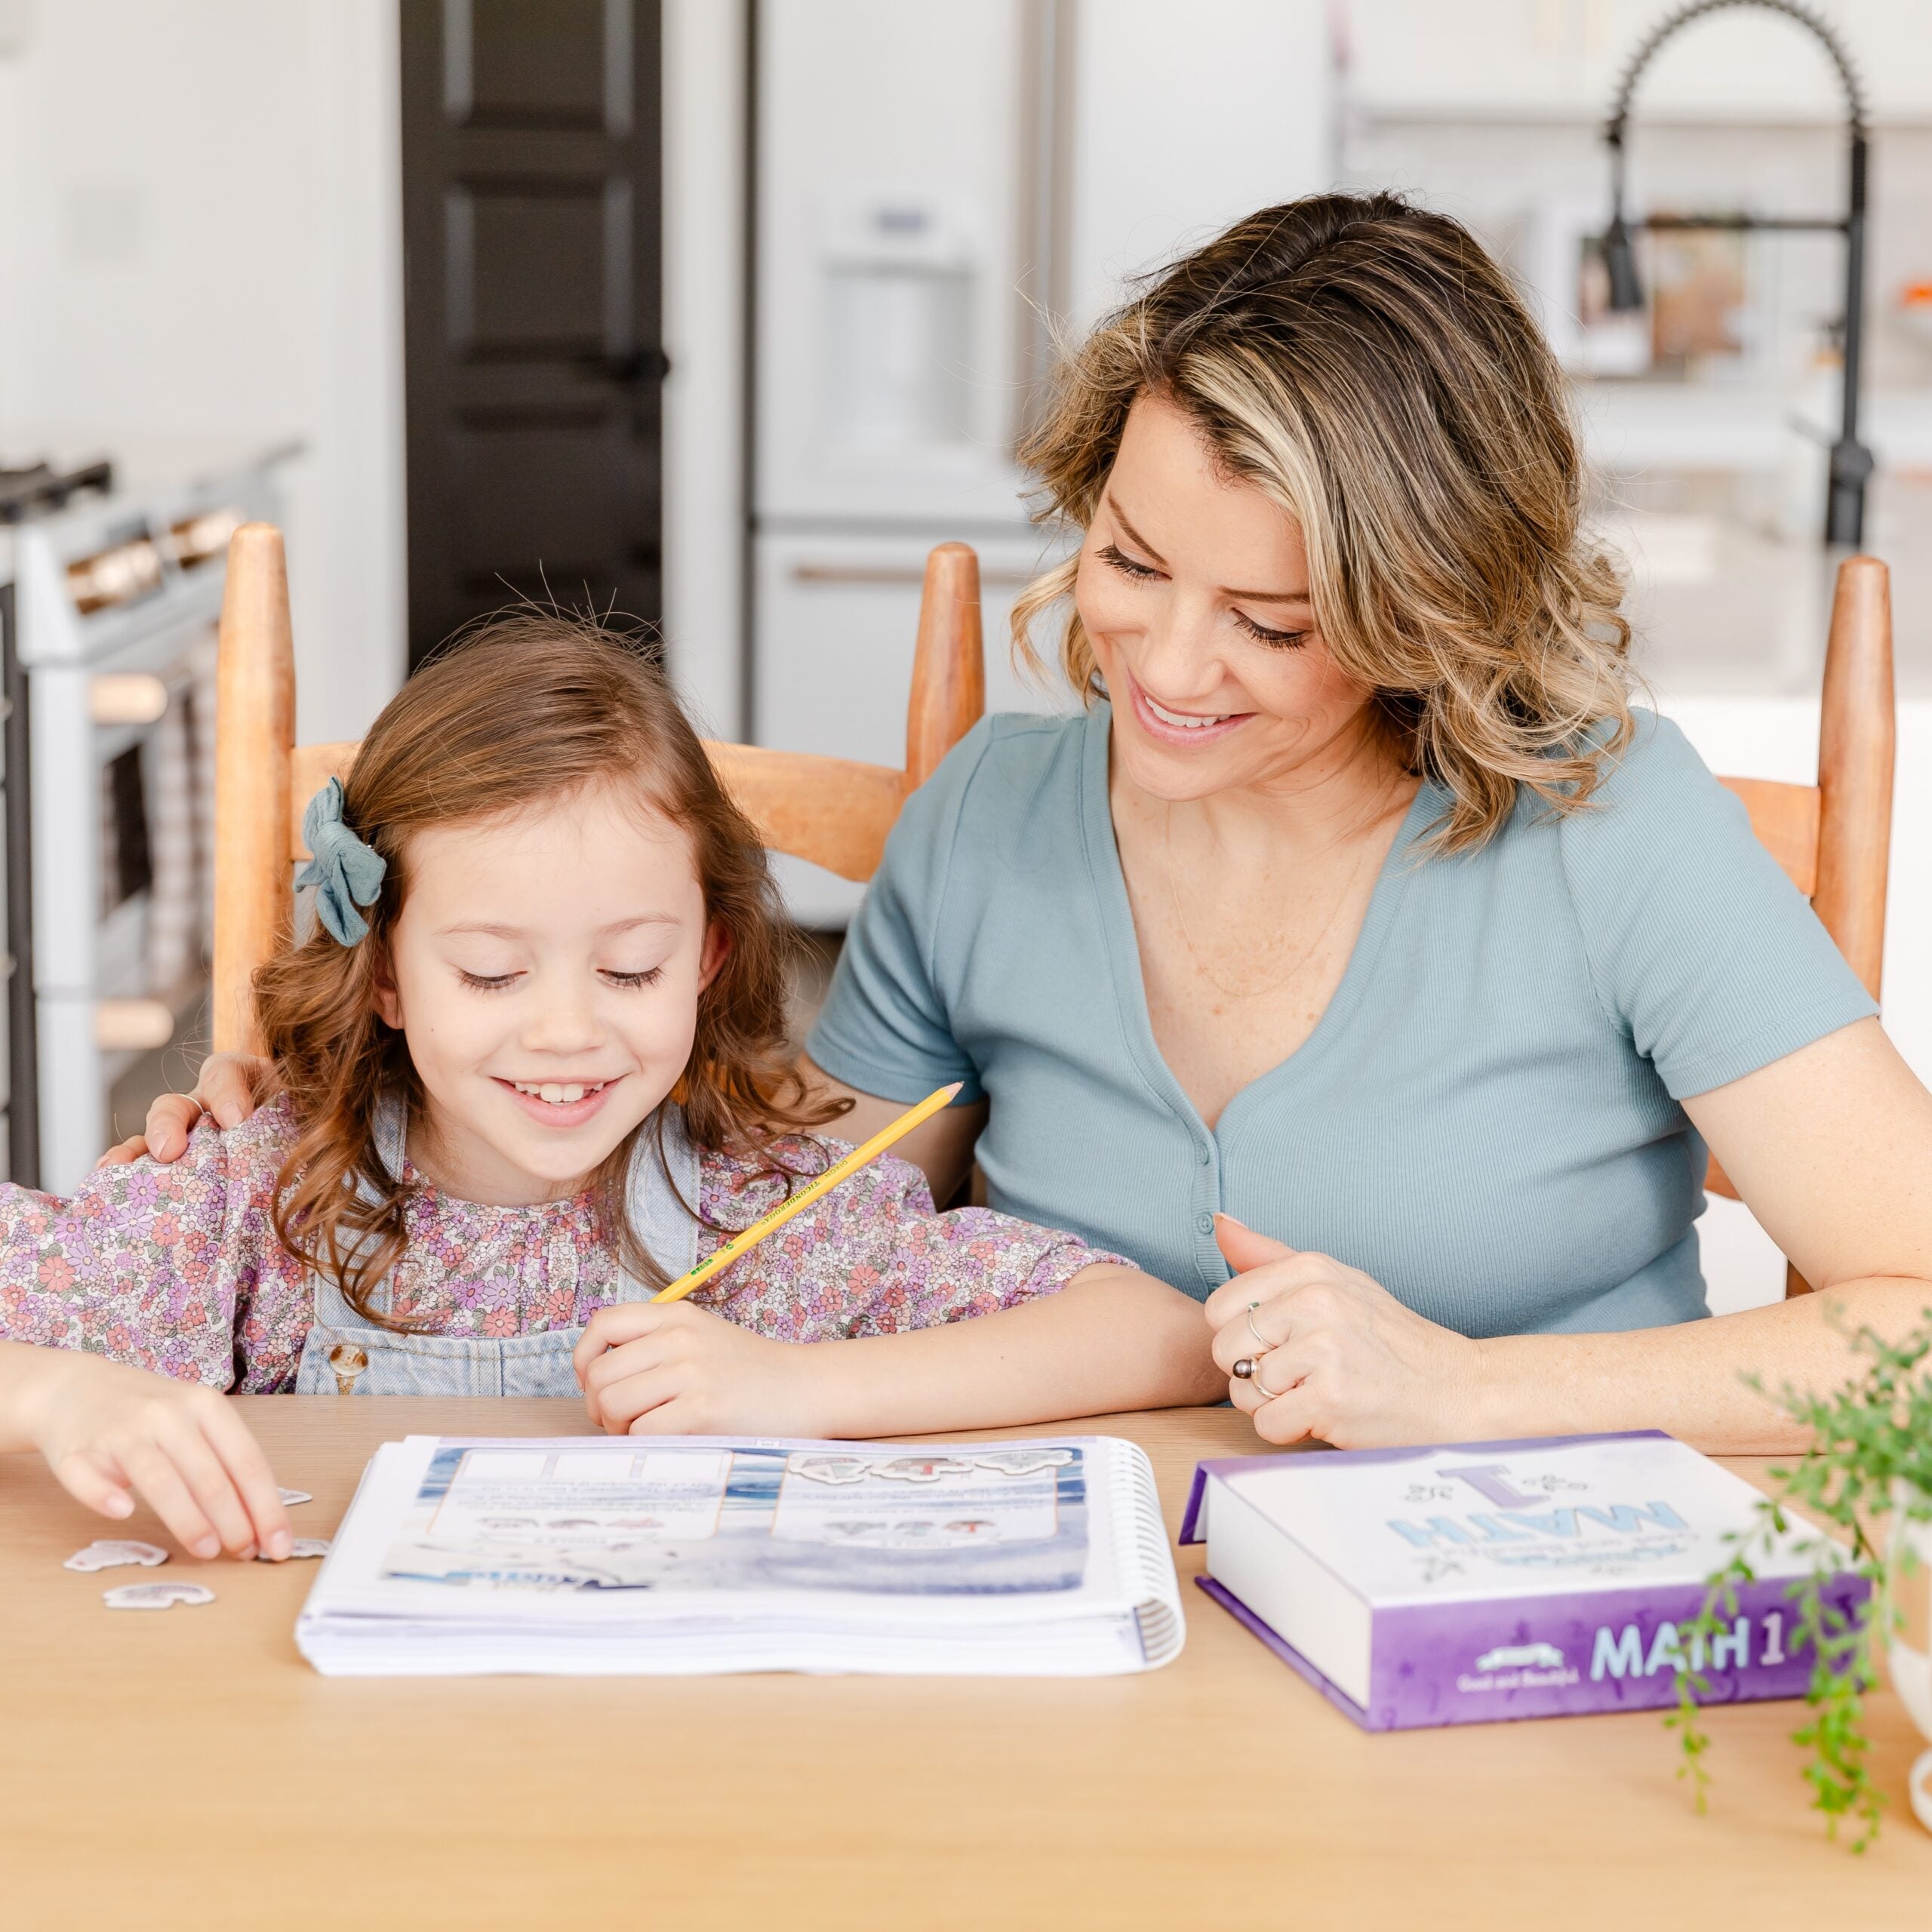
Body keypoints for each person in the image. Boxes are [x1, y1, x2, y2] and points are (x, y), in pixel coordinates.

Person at [129, 195, 1932, 1458]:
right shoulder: (992, 819)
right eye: (1131, 562)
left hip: (1534, 1602)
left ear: (1431, 612)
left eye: (1271, 622)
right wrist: (328, 1118)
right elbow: (780, 1211)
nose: (1159, 658)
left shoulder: (1602, 826)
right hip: (1086, 1613)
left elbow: (1914, 1328)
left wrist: (1460, 1387)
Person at [1, 619, 1217, 1564]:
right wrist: (61, 1390)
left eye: (630, 967)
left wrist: (795, 1385)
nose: (568, 1030)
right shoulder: (254, 1197)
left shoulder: (774, 1215)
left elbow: (1164, 1335)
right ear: (384, 978)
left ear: (706, 960)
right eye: (490, 971)